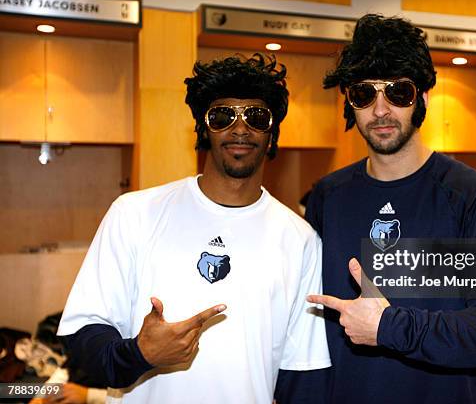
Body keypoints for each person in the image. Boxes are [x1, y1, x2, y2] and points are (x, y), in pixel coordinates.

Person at [56, 53, 330, 404]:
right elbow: (82, 337)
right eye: (223, 116)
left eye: (256, 116)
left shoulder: (299, 239)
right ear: (203, 127)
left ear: (272, 131)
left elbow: (302, 374)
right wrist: (140, 355)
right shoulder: (135, 214)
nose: (240, 128)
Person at [281, 14, 476, 403]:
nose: (380, 110)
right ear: (349, 100)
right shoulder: (327, 197)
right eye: (364, 93)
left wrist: (389, 327)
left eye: (398, 92)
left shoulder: (473, 197)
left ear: (423, 98)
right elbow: (309, 327)